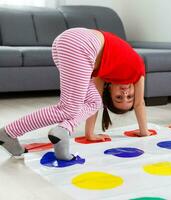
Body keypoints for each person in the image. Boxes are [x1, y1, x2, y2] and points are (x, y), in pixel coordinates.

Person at [0, 28, 150, 160]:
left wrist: (89, 134)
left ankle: (63, 130)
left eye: (120, 98)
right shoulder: (137, 71)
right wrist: (144, 132)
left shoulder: (106, 72)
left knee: (93, 102)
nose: (125, 93)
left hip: (66, 42)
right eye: (129, 96)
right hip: (81, 44)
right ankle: (9, 132)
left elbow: (95, 102)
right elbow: (139, 103)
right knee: (68, 108)